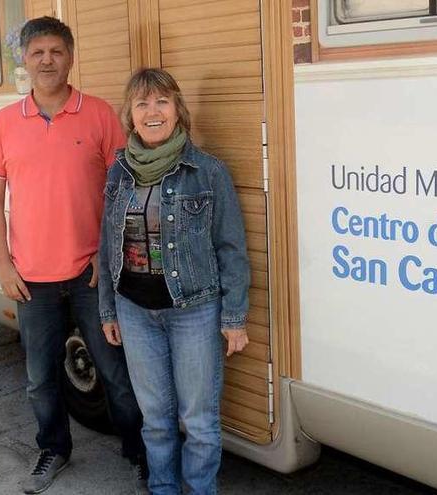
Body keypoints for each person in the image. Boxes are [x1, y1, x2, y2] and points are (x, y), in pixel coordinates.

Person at [0, 17, 146, 495]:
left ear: (70, 57)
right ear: (25, 61)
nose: (47, 60)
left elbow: (122, 192)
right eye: (38, 53)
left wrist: (107, 256)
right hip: (31, 277)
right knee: (40, 377)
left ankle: (138, 453)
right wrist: (4, 265)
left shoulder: (98, 115)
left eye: (56, 51)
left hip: (92, 273)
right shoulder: (5, 122)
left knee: (116, 371)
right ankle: (53, 449)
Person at [98, 68, 251, 495]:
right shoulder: (118, 171)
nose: (152, 111)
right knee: (157, 421)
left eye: (162, 101)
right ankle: (163, 488)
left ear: (178, 110)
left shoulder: (207, 171)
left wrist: (234, 316)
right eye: (142, 103)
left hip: (194, 311)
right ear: (129, 114)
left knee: (199, 421)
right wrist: (108, 309)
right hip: (134, 311)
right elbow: (107, 242)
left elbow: (231, 248)